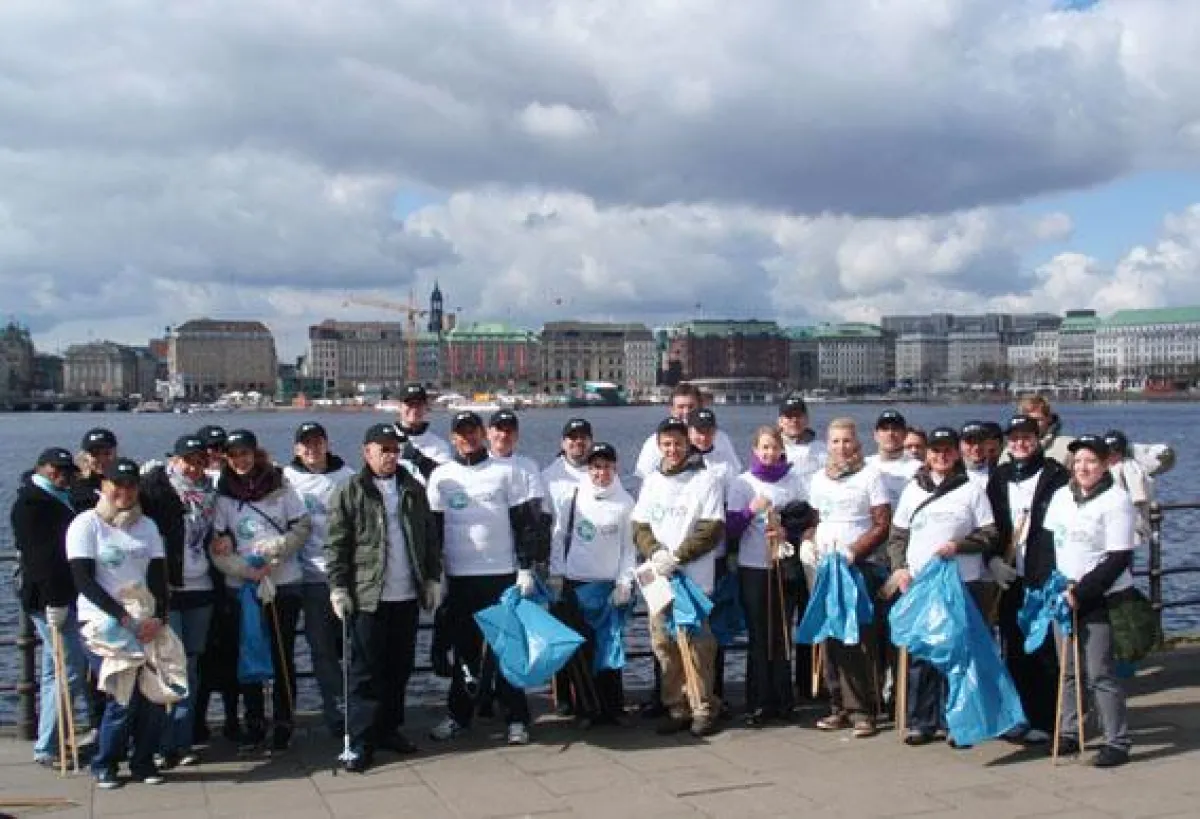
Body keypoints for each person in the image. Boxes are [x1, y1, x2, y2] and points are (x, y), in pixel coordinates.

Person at [426, 411, 548, 746]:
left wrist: (526, 568)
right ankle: (458, 716)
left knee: (507, 650)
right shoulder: (441, 477)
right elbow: (433, 532)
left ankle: (516, 719)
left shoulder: (504, 473)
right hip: (459, 577)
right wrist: (433, 577)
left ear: (483, 434)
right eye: (461, 433)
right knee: (464, 652)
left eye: (473, 432)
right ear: (453, 439)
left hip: (501, 575)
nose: (468, 438)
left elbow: (526, 524)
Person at [326, 423, 442, 773]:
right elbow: (337, 543)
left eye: (394, 449)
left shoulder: (412, 488)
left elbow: (428, 536)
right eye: (383, 449)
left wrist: (433, 578)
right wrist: (339, 587)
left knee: (399, 669)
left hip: (406, 594)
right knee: (365, 673)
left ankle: (390, 729)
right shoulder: (351, 490)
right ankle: (362, 740)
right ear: (367, 452)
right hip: (368, 596)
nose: (390, 456)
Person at [887, 427, 998, 747]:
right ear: (927, 454)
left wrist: (959, 546)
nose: (941, 456)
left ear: (957, 453)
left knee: (958, 652)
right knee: (923, 653)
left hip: (961, 580)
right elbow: (898, 537)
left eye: (947, 450)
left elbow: (989, 534)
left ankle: (957, 721)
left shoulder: (972, 490)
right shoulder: (912, 490)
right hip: (922, 583)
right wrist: (900, 570)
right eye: (935, 450)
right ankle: (921, 721)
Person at [65, 458, 169, 789]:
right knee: (122, 698)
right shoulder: (86, 524)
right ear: (104, 486)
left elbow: (158, 577)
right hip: (104, 624)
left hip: (145, 621)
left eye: (130, 486)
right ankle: (105, 762)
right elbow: (84, 581)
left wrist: (159, 618)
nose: (124, 492)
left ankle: (143, 761)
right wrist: (122, 617)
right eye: (117, 486)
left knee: (153, 697)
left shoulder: (148, 527)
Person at [210, 429, 312, 753]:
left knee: (283, 656)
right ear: (226, 458)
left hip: (282, 582)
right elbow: (218, 544)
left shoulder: (281, 486)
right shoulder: (222, 494)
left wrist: (279, 549)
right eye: (234, 454)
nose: (241, 460)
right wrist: (245, 569)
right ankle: (253, 720)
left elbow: (303, 527)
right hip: (242, 586)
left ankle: (283, 721)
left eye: (245, 453)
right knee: (248, 652)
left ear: (256, 453)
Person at [1043, 435, 1135, 767]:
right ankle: (1069, 732)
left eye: (1091, 461)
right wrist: (1053, 585)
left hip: (1099, 596)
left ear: (1105, 463)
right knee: (1067, 669)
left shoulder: (1116, 499)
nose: (1083, 467)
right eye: (1078, 461)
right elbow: (1050, 544)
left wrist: (1082, 592)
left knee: (1099, 672)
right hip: (1063, 593)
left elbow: (1118, 557)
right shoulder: (1061, 497)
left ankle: (1117, 740)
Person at [632, 417, 726, 738]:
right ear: (659, 446)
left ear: (688, 443)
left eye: (678, 443)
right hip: (657, 577)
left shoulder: (707, 479)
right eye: (667, 444)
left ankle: (703, 706)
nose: (673, 450)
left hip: (693, 577)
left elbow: (712, 528)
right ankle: (676, 706)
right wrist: (656, 552)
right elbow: (640, 526)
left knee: (699, 646)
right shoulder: (651, 481)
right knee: (664, 644)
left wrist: (678, 556)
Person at [986, 415, 1069, 745]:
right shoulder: (1001, 476)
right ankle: (1020, 715)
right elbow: (990, 522)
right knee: (1014, 646)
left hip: (1042, 574)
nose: (1020, 444)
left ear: (1039, 439)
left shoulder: (1055, 476)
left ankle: (1049, 719)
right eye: (1014, 438)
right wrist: (991, 559)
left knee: (1045, 649)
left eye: (1027, 438)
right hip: (1010, 576)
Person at [804, 418, 890, 738]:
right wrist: (807, 542)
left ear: (857, 443)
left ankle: (864, 709)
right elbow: (814, 520)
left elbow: (881, 524)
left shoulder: (871, 476)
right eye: (836, 441)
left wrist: (856, 551)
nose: (842, 447)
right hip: (825, 566)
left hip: (856, 566)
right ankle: (837, 704)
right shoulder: (818, 479)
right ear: (828, 444)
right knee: (830, 637)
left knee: (857, 637)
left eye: (847, 441)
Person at [547, 442, 636, 725]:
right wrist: (557, 574)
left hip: (609, 587)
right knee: (583, 651)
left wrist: (625, 582)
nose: (601, 472)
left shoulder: (625, 503)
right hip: (577, 584)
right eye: (596, 467)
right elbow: (559, 537)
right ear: (589, 469)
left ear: (615, 467)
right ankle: (587, 709)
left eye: (607, 466)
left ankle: (613, 708)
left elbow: (629, 549)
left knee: (609, 648)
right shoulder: (573, 497)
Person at [726, 426, 809, 727]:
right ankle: (759, 701)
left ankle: (784, 699)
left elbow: (807, 518)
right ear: (755, 450)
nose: (770, 453)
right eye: (764, 448)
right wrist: (751, 510)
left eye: (774, 448)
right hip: (754, 568)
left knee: (782, 633)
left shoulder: (794, 481)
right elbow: (730, 529)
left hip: (783, 565)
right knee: (760, 636)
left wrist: (788, 528)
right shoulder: (742, 483)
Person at [139, 434, 214, 769]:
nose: (194, 468)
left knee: (193, 667)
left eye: (200, 461)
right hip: (170, 590)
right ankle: (158, 741)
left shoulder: (211, 492)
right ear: (174, 460)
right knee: (165, 665)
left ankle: (181, 740)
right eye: (188, 461)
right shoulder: (156, 489)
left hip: (202, 587)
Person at [11, 447, 87, 767]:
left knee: (52, 670)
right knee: (70, 670)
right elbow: (41, 559)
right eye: (55, 468)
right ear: (40, 468)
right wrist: (54, 601)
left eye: (66, 469)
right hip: (50, 597)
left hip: (57, 595)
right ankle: (49, 744)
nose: (61, 474)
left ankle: (49, 741)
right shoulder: (32, 504)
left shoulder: (59, 496)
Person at [282, 421, 357, 736]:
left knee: (353, 648)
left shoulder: (348, 478)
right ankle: (335, 710)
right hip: (307, 577)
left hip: (344, 577)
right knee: (321, 650)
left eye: (317, 443)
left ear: (327, 444)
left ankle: (358, 706)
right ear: (297, 448)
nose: (312, 449)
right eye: (306, 444)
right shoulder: (285, 480)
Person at [634, 384, 738, 479]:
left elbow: (734, 473)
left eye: (691, 406)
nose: (686, 412)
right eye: (680, 407)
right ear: (671, 410)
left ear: (701, 407)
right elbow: (644, 477)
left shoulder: (719, 438)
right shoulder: (654, 442)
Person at [1103, 429, 1153, 550]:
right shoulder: (1106, 468)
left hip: (1127, 523)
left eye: (1115, 451)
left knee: (1123, 558)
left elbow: (1139, 498)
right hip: (1109, 523)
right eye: (1108, 452)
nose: (1111, 455)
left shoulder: (1130, 467)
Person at [395, 384, 452, 483]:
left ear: (426, 407)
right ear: (400, 407)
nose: (414, 409)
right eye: (409, 404)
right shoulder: (384, 439)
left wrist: (419, 459)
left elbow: (445, 481)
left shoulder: (439, 445)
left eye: (419, 404)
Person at [867, 410, 920, 508]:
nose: (890, 433)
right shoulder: (864, 465)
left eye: (895, 429)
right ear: (875, 435)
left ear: (904, 434)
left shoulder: (918, 469)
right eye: (885, 429)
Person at [777, 393, 827, 486]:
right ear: (780, 421)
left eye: (798, 416)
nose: (794, 420)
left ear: (807, 419)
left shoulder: (822, 449)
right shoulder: (771, 450)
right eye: (789, 416)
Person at [71, 428, 119, 512]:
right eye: (95, 454)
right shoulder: (73, 483)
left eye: (107, 453)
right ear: (85, 455)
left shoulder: (127, 480)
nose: (102, 459)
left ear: (115, 453)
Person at [959, 421, 993, 488]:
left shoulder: (1000, 474)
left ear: (988, 444)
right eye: (970, 442)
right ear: (960, 445)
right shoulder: (951, 476)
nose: (976, 447)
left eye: (981, 441)